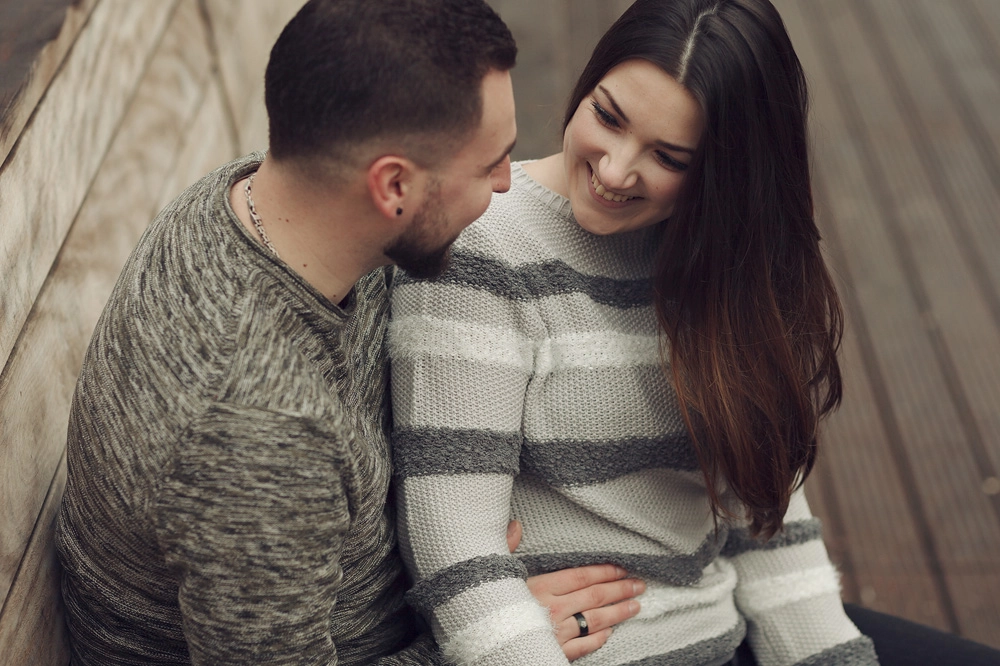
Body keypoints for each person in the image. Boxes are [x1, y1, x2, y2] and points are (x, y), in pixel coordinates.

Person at [388, 0, 1000, 665]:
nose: (617, 170)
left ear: (726, 172)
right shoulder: (482, 250)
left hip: (723, 629)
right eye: (607, 116)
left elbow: (765, 514)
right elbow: (456, 548)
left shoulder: (725, 262)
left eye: (669, 156)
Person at [54, 1, 644, 664]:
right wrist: (480, 640)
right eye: (489, 166)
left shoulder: (271, 194)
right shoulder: (256, 434)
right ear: (392, 185)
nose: (509, 184)